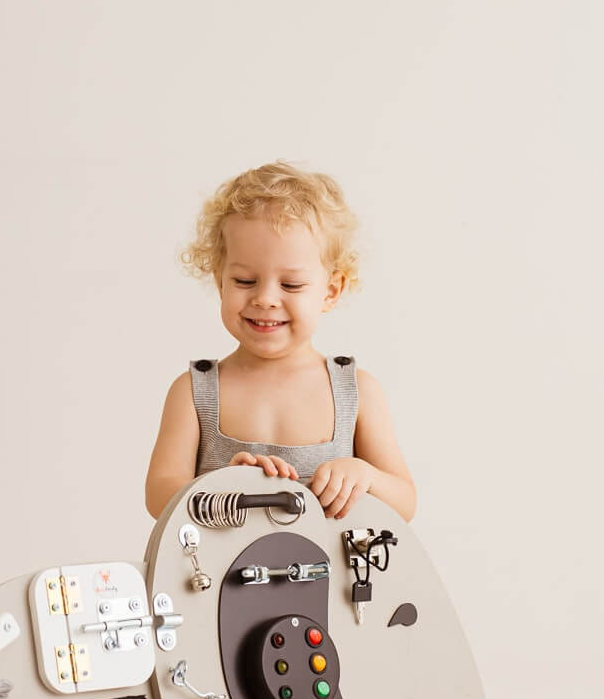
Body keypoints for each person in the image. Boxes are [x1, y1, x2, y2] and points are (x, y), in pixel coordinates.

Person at [144, 161, 417, 524]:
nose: (265, 299)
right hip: (221, 564)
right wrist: (222, 486)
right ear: (220, 281)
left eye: (291, 285)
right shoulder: (194, 392)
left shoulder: (356, 391)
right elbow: (158, 495)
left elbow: (405, 503)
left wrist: (366, 476)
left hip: (326, 565)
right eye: (244, 281)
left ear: (330, 291)